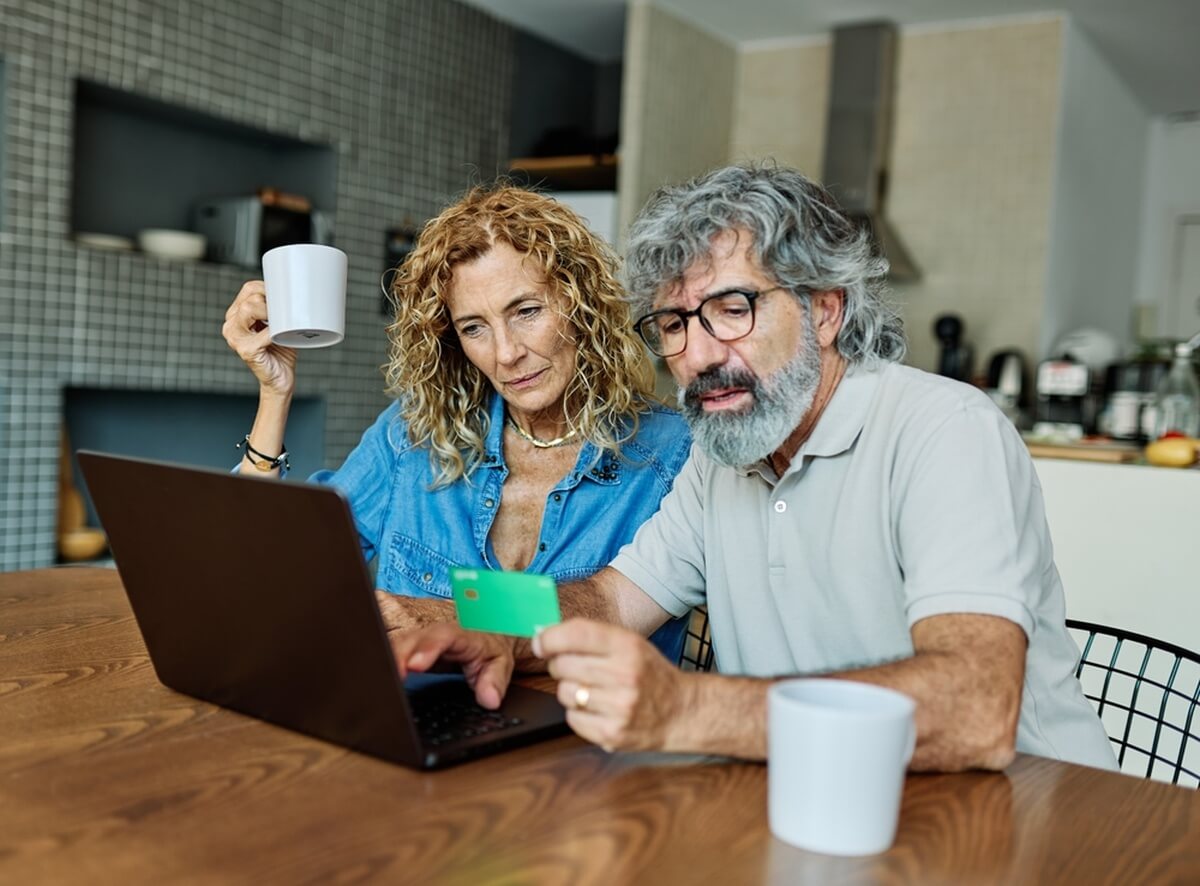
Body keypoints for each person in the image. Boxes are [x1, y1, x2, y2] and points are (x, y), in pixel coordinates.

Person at [390, 164, 1118, 773]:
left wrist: (687, 709)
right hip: (817, 805)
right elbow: (608, 600)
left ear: (825, 311)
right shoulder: (724, 457)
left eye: (733, 309)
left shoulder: (943, 431)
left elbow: (975, 709)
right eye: (675, 324)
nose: (701, 356)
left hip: (1030, 822)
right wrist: (465, 619)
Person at [221, 184, 692, 661]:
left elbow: (613, 605)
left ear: (581, 303)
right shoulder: (412, 436)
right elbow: (275, 573)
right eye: (473, 327)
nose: (506, 353)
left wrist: (443, 616)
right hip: (414, 705)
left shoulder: (673, 454)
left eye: (526, 311)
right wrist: (275, 393)